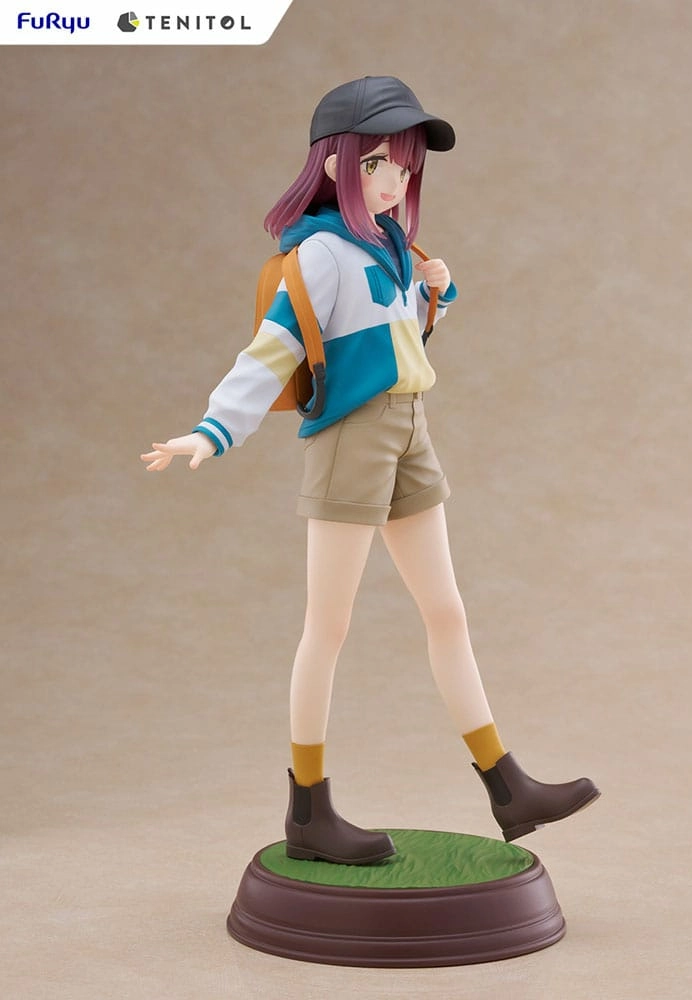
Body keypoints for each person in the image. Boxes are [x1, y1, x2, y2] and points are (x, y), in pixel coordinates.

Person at [141, 76, 599, 865]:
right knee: (329, 626)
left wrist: (435, 296)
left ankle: (507, 785)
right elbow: (274, 348)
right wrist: (212, 430)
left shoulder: (387, 244)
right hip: (353, 439)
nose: (394, 180)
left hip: (410, 430)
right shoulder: (320, 254)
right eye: (378, 163)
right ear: (335, 165)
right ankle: (309, 810)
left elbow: (393, 337)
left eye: (405, 166)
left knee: (447, 611)